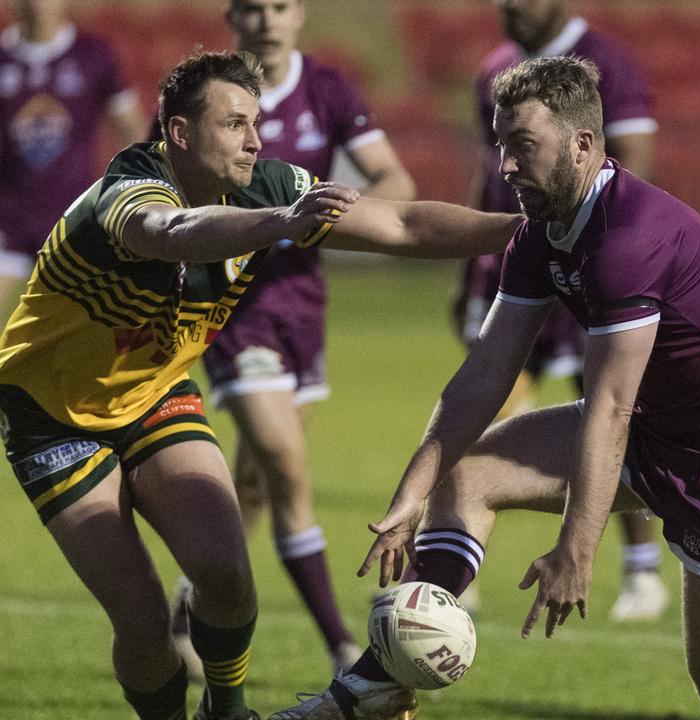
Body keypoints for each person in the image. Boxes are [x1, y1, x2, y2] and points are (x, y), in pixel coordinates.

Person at [271, 56, 700, 720]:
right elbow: (484, 376)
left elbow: (610, 411)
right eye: (501, 145)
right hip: (655, 435)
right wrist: (410, 497)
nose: (505, 166)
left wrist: (577, 548)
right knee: (465, 476)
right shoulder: (541, 235)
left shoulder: (628, 241)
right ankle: (376, 689)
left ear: (583, 145)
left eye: (523, 146)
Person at [0, 49, 519, 720]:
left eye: (257, 123)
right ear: (180, 134)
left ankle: (228, 710)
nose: (255, 140)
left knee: (224, 573)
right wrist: (280, 223)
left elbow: (402, 222)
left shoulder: (272, 185)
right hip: (52, 416)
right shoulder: (127, 189)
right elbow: (171, 232)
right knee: (145, 624)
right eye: (235, 124)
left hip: (153, 392)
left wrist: (530, 231)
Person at [169, 0, 417, 681]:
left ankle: (186, 612)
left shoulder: (328, 88)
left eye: (280, 6)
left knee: (253, 479)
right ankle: (341, 645)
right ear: (233, 16)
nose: (267, 20)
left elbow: (395, 180)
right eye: (253, 7)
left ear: (299, 14)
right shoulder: (210, 95)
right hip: (232, 307)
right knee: (287, 467)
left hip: (302, 305)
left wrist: (331, 208)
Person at [451, 0, 667, 621]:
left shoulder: (609, 62)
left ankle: (641, 571)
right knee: (475, 412)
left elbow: (634, 168)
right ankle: (449, 571)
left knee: (607, 415)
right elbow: (488, 175)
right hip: (514, 270)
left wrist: (613, 260)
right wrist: (471, 270)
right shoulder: (494, 70)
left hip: (584, 265)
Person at [0, 0, 147, 315]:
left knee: (92, 324)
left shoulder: (93, 55)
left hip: (71, 215)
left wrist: (150, 181)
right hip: (8, 215)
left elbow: (131, 129)